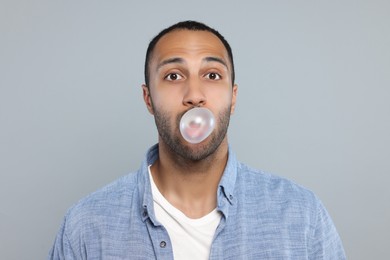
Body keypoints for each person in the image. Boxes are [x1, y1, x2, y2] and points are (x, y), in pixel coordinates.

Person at [49, 20, 346, 259]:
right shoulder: (85, 226)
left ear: (233, 97)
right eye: (174, 76)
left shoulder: (302, 216)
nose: (194, 95)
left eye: (212, 75)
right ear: (148, 98)